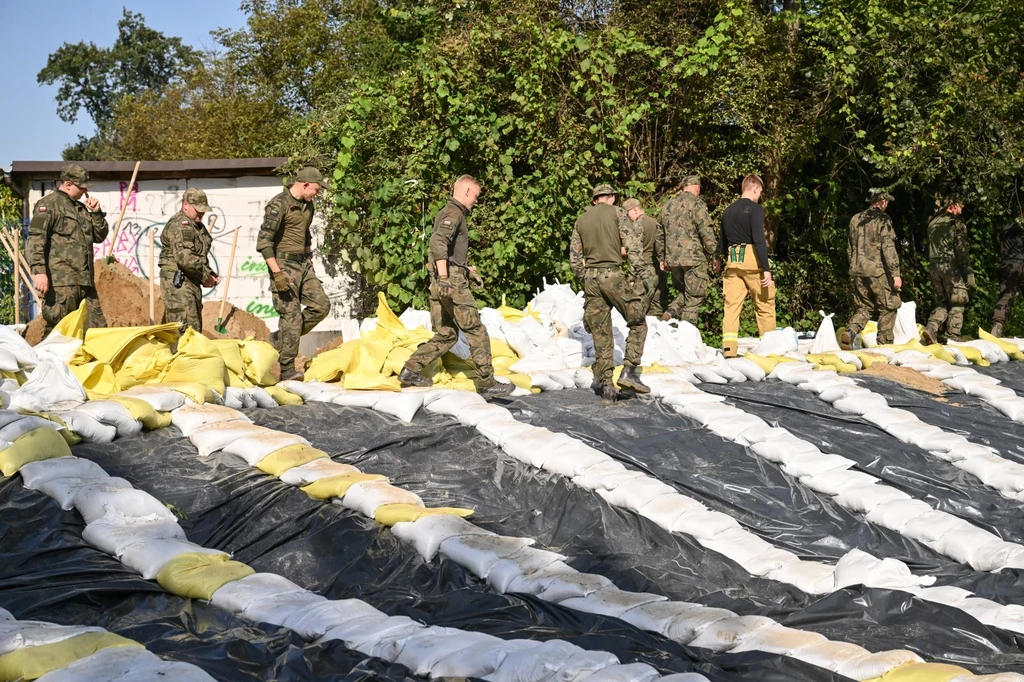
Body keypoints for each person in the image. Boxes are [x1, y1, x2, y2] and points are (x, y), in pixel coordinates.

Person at [399, 176, 514, 399]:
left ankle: (411, 369)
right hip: (450, 283)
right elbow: (438, 242)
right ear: (468, 191)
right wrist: (445, 276)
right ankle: (487, 382)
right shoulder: (454, 213)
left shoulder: (449, 211)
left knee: (447, 334)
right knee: (476, 331)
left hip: (443, 280)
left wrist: (465, 270)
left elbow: (447, 251)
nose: (476, 201)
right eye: (476, 196)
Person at [569, 184, 650, 405]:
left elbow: (575, 259)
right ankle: (630, 371)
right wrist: (636, 275)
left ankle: (606, 386)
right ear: (611, 198)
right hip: (613, 275)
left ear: (595, 199)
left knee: (600, 333)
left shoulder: (581, 220)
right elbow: (633, 246)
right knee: (638, 321)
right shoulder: (618, 213)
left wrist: (584, 277)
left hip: (591, 280)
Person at [256, 167, 331, 381]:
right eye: (316, 189)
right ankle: (286, 368)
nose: (317, 193)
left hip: (303, 264)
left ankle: (281, 338)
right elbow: (264, 242)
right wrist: (277, 273)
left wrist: (309, 261)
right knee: (291, 316)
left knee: (321, 306)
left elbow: (305, 233)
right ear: (305, 184)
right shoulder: (279, 204)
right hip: (283, 265)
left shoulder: (309, 206)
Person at [26, 163, 109, 337]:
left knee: (97, 331)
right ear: (68, 184)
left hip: (84, 281)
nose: (84, 191)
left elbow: (99, 236)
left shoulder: (80, 208)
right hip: (61, 284)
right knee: (58, 331)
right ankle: (47, 363)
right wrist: (39, 272)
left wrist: (96, 213)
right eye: (81, 186)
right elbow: (35, 239)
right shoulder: (48, 205)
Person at [720, 174, 775, 358]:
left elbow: (723, 241)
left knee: (731, 307)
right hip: (753, 262)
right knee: (765, 304)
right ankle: (770, 349)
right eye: (759, 192)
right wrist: (766, 269)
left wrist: (720, 259)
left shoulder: (727, 211)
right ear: (754, 189)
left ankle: (729, 349)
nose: (759, 195)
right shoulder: (756, 209)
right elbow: (759, 239)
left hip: (732, 261)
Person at [841, 189, 902, 348]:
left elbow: (849, 247)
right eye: (886, 202)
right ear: (881, 201)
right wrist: (895, 273)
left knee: (865, 306)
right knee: (889, 306)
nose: (887, 205)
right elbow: (888, 247)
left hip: (858, 270)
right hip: (877, 271)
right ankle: (885, 345)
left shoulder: (856, 219)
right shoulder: (883, 220)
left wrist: (853, 265)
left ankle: (851, 331)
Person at [658, 175, 718, 324]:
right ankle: (687, 336)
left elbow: (659, 234)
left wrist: (662, 257)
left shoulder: (667, 206)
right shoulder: (696, 204)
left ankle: (669, 313)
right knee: (694, 298)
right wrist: (715, 254)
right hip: (694, 259)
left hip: (673, 260)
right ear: (697, 188)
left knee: (684, 292)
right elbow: (706, 231)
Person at [158, 188, 220, 333]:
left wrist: (209, 273)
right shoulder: (181, 225)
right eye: (198, 209)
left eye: (203, 209)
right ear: (185, 205)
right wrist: (205, 276)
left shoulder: (195, 225)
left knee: (194, 327)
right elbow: (185, 258)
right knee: (185, 329)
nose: (202, 213)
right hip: (178, 281)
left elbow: (197, 254)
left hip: (190, 279)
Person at [923, 198, 974, 344]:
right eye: (960, 207)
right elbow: (961, 250)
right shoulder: (956, 223)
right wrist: (968, 272)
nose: (961, 211)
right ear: (953, 207)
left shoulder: (932, 223)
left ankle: (931, 328)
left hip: (934, 266)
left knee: (942, 301)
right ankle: (953, 335)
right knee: (958, 300)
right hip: (950, 267)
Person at [621, 198, 663, 316]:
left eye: (628, 214)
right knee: (657, 311)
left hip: (643, 271)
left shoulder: (637, 225)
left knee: (637, 311)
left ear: (634, 210)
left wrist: (631, 277)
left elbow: (635, 252)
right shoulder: (655, 222)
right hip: (658, 270)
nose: (627, 218)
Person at [991, 210, 1024, 338]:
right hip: (1021, 264)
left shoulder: (1007, 226)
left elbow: (1001, 247)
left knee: (1005, 296)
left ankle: (997, 326)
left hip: (1007, 265)